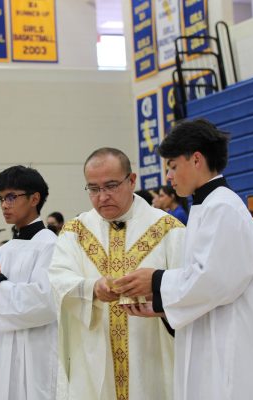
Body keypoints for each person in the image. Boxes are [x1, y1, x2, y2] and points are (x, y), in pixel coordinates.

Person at [114, 119, 253, 400]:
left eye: (172, 166)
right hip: (213, 340)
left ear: (196, 159)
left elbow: (213, 280)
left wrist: (156, 280)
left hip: (231, 349)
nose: (169, 178)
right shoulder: (206, 207)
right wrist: (161, 306)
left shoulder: (223, 208)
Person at [48, 147, 185, 400]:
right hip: (92, 361)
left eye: (111, 186)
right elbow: (57, 279)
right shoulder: (75, 232)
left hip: (151, 357)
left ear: (132, 180)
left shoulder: (168, 230)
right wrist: (92, 288)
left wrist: (159, 295)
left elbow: (189, 289)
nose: (102, 197)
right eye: (93, 188)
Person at [0, 165, 58, 400]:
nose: (5, 205)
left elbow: (46, 302)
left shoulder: (51, 245)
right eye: (0, 199)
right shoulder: (3, 251)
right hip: (2, 350)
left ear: (34, 199)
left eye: (11, 197)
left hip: (36, 352)